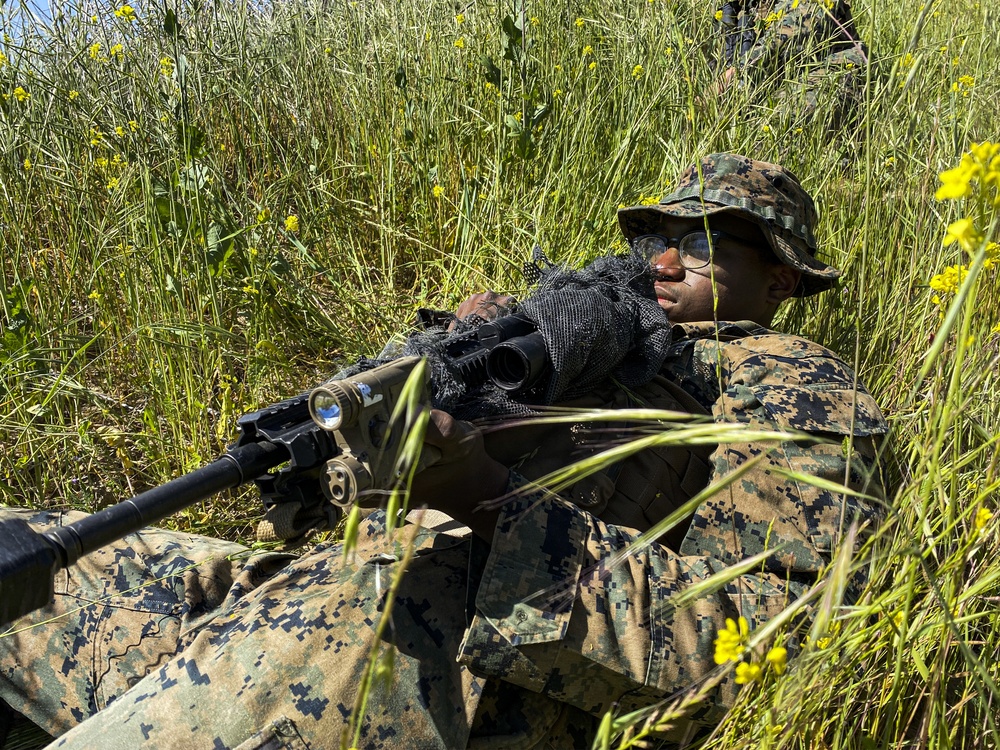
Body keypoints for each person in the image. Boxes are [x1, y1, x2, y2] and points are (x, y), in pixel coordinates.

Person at [0, 153, 887, 749]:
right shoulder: (567, 325)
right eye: (653, 236)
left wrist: (487, 494)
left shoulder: (790, 381)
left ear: (779, 276)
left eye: (699, 241)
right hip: (294, 593)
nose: (661, 259)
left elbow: (768, 648)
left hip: (421, 665)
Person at [712, 0, 870, 129]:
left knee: (776, 129)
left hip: (833, 69)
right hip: (777, 80)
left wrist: (710, 96)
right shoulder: (740, 8)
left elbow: (778, 45)